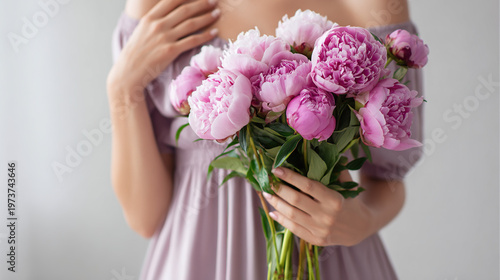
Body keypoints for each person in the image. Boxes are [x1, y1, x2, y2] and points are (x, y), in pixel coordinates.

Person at [106, 0, 423, 279]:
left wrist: (362, 220)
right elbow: (144, 218)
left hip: (328, 260)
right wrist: (121, 88)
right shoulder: (157, 5)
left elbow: (388, 178)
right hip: (197, 262)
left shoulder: (370, 4)